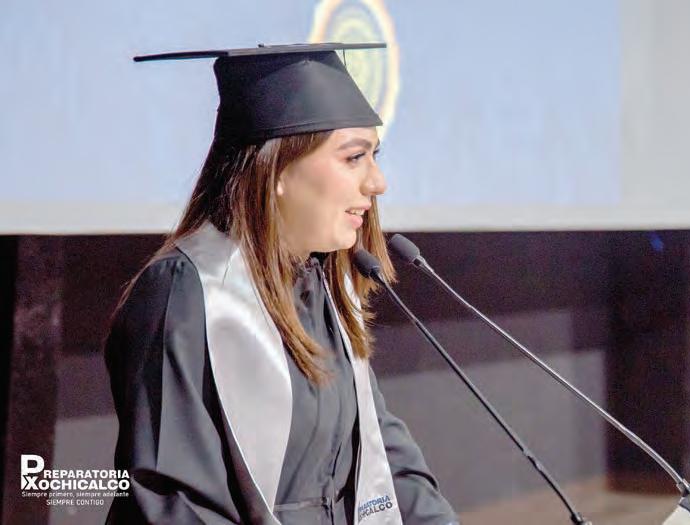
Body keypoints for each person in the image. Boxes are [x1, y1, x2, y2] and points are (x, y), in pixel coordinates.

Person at [104, 43, 459, 525]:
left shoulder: (321, 286)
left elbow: (382, 454)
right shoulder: (188, 293)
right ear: (277, 171)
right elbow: (176, 505)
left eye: (374, 156)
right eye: (354, 158)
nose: (378, 183)